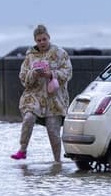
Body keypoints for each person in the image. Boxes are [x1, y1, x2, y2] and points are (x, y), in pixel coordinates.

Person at [10, 24, 72, 162]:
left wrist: (51, 74)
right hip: (34, 96)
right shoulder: (30, 56)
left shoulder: (60, 53)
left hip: (54, 99)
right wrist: (33, 74)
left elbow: (68, 72)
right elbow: (23, 78)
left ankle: (57, 162)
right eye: (39, 40)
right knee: (28, 118)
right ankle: (22, 150)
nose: (42, 42)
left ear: (49, 37)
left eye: (44, 39)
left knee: (53, 132)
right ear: (35, 41)